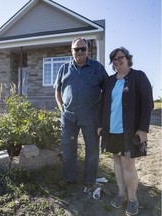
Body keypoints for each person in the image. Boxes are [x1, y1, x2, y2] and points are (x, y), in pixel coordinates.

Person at [98, 47, 153, 215]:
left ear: (128, 58)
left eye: (120, 57)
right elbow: (103, 104)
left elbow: (147, 103)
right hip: (111, 130)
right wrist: (100, 125)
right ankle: (121, 194)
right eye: (114, 59)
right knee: (116, 161)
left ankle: (133, 199)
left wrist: (143, 129)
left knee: (128, 164)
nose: (117, 61)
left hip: (129, 131)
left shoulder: (139, 76)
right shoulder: (109, 80)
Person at [54, 38, 108, 191]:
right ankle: (69, 178)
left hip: (91, 117)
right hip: (68, 117)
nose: (79, 52)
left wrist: (102, 112)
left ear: (87, 50)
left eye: (82, 49)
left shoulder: (97, 68)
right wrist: (61, 108)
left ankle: (90, 181)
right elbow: (57, 91)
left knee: (92, 150)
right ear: (71, 51)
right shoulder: (64, 69)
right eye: (76, 49)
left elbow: (107, 90)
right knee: (68, 148)